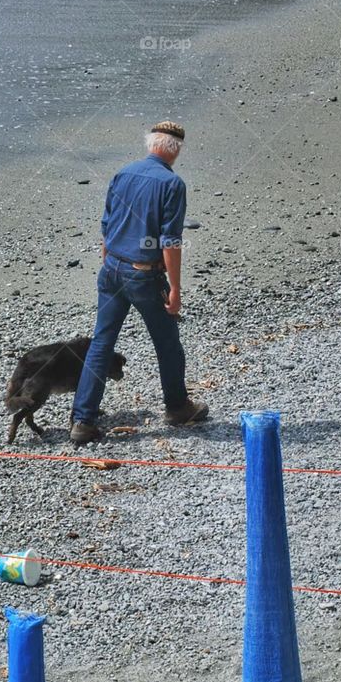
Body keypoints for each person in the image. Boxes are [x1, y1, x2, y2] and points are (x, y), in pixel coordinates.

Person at [70, 120, 209, 445]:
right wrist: (175, 289)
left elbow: (107, 224)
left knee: (101, 343)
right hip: (144, 274)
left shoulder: (123, 173)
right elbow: (170, 242)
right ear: (176, 151)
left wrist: (109, 261)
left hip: (113, 269)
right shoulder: (172, 185)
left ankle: (82, 420)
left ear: (150, 144)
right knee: (168, 345)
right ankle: (177, 407)